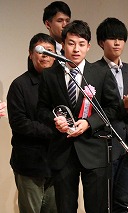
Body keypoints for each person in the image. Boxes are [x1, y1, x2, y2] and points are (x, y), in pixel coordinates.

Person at [37, 20, 120, 213]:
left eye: (81, 44)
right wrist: (55, 120)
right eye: (71, 43)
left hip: (94, 149)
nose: (76, 49)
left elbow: (114, 108)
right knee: (65, 207)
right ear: (63, 44)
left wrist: (89, 123)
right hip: (63, 150)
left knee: (97, 207)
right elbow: (41, 109)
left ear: (88, 46)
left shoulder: (100, 73)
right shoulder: (50, 75)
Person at [94, 17, 128, 213]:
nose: (117, 43)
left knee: (122, 201)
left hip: (127, 144)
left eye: (121, 39)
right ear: (100, 43)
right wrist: (122, 106)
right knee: (102, 200)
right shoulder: (93, 70)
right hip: (103, 143)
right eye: (112, 38)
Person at [7, 33, 57, 213]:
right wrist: (53, 131)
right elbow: (19, 123)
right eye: (40, 51)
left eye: (49, 51)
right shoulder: (19, 85)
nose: (45, 55)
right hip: (29, 164)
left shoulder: (60, 84)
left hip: (56, 164)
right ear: (30, 54)